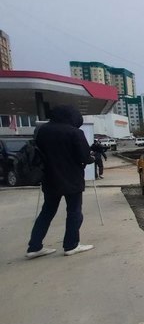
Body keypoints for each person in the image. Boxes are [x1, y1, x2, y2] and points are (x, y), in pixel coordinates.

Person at [26, 105, 95, 258]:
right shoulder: (74, 132)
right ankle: (71, 245)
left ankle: (34, 247)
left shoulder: (42, 131)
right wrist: (92, 157)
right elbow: (85, 157)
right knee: (74, 212)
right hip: (72, 179)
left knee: (46, 212)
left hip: (50, 179)